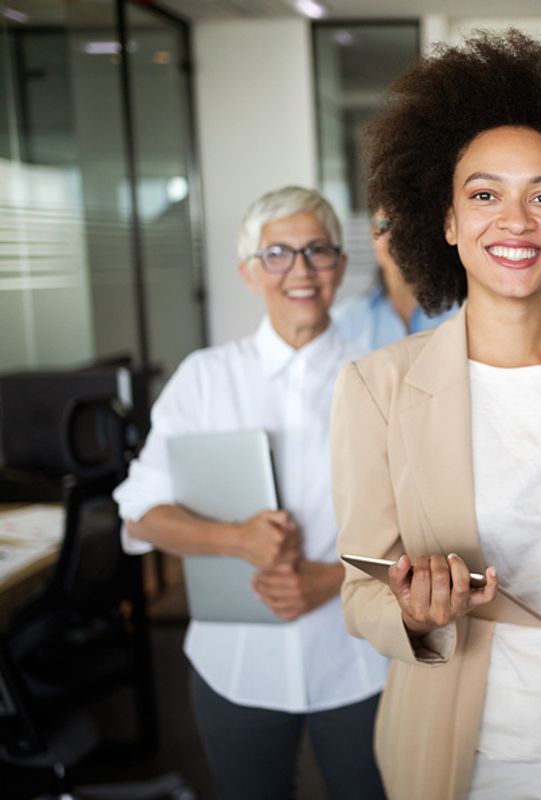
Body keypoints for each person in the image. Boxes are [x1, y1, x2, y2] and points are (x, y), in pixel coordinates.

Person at [331, 30, 541, 800]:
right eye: (484, 195)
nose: (515, 221)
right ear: (446, 221)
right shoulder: (377, 386)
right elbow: (361, 590)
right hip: (461, 748)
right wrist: (416, 616)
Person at [113, 186, 388, 799]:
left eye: (317, 251)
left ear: (341, 265)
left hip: (359, 660)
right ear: (247, 271)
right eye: (277, 254)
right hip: (235, 662)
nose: (300, 270)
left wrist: (335, 579)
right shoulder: (204, 378)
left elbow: (427, 527)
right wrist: (232, 539)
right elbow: (138, 510)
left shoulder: (382, 375)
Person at [333, 209, 456, 351]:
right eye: (386, 225)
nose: (398, 239)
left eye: (409, 224)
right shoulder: (345, 322)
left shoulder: (467, 312)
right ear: (372, 234)